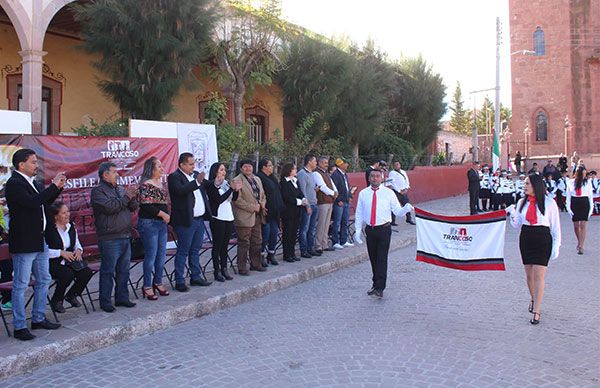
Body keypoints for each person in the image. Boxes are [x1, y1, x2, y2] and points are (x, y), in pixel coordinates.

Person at [6, 149, 65, 340]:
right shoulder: (14, 183)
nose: (36, 165)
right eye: (33, 162)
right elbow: (32, 203)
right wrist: (52, 186)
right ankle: (19, 326)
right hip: (25, 242)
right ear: (21, 165)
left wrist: (57, 188)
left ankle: (38, 318)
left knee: (44, 280)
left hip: (40, 240)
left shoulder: (34, 183)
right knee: (21, 285)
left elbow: (44, 202)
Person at [507, 173, 561, 325]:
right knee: (529, 276)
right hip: (526, 238)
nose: (524, 187)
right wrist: (512, 213)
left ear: (536, 186)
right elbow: (516, 224)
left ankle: (537, 310)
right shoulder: (521, 202)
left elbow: (555, 228)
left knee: (539, 276)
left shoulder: (549, 203)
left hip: (542, 239)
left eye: (527, 184)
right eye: (524, 184)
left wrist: (557, 246)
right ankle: (533, 298)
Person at [354, 169, 413, 298]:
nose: (375, 178)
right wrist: (357, 230)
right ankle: (375, 284)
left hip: (384, 229)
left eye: (377, 176)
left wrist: (405, 209)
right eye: (372, 176)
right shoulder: (363, 193)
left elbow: (397, 211)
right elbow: (359, 213)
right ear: (369, 178)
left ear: (382, 178)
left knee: (381, 258)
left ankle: (380, 287)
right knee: (373, 258)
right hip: (370, 229)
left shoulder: (388, 193)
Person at [91, 162, 139, 312]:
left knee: (124, 269)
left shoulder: (119, 188)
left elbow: (132, 207)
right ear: (105, 175)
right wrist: (127, 197)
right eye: (114, 172)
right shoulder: (98, 192)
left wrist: (132, 197)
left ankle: (122, 297)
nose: (117, 175)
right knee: (108, 270)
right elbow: (110, 208)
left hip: (125, 234)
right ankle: (105, 301)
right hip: (109, 237)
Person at [168, 153, 213, 292]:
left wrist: (217, 181)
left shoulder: (195, 176)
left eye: (194, 164)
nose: (194, 166)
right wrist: (196, 182)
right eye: (191, 164)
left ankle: (195, 276)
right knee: (183, 250)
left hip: (199, 220)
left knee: (195, 250)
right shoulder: (175, 177)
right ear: (182, 165)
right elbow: (180, 191)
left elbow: (208, 186)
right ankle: (179, 280)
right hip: (185, 220)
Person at [46, 201, 93, 313]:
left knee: (86, 272)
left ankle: (72, 295)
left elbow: (76, 242)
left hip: (70, 261)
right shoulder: (49, 229)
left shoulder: (71, 226)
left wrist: (78, 250)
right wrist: (60, 253)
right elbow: (43, 251)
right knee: (67, 274)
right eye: (63, 213)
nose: (67, 215)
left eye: (68, 212)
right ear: (55, 216)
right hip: (52, 262)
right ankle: (56, 300)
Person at [137, 157, 170, 300]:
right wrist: (163, 214)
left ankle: (158, 281)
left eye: (162, 166)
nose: (162, 169)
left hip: (161, 224)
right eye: (159, 167)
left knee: (161, 255)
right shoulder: (145, 184)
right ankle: (147, 285)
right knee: (151, 255)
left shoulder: (161, 184)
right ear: (151, 168)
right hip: (149, 223)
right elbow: (146, 206)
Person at [206, 162, 241, 282]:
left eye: (224, 170)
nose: (223, 172)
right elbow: (218, 200)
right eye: (221, 170)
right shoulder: (211, 185)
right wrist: (231, 189)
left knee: (225, 246)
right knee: (218, 246)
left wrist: (236, 190)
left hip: (228, 216)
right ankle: (217, 271)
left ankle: (224, 268)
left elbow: (234, 199)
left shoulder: (226, 183)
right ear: (215, 171)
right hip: (218, 218)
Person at [232, 160, 267, 275]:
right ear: (241, 169)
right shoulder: (236, 180)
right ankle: (242, 267)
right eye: (245, 167)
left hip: (257, 215)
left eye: (250, 166)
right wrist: (252, 207)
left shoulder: (257, 179)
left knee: (257, 241)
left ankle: (255, 264)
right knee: (244, 242)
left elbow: (262, 195)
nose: (248, 169)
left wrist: (262, 203)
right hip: (244, 216)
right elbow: (237, 200)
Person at [256, 158, 284, 266]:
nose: (272, 167)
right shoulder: (260, 177)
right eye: (270, 165)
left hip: (275, 210)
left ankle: (271, 253)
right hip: (266, 210)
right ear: (264, 167)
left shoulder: (272, 177)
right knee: (265, 233)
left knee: (274, 232)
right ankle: (261, 254)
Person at [279, 163, 308, 263]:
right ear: (289, 170)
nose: (296, 170)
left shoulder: (295, 181)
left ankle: (292, 252)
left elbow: (299, 192)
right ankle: (287, 254)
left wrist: (303, 198)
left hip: (296, 211)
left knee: (294, 233)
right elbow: (286, 197)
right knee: (287, 233)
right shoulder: (284, 182)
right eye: (294, 169)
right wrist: (299, 202)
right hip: (288, 212)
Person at [565, 166, 594, 255]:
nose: (584, 175)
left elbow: (590, 196)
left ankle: (581, 246)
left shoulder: (588, 182)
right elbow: (568, 196)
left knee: (583, 225)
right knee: (576, 226)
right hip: (575, 202)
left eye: (585, 174)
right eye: (583, 174)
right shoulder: (570, 182)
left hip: (584, 202)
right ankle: (579, 241)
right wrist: (568, 207)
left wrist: (591, 208)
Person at [313, 156, 338, 253]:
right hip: (322, 201)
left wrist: (336, 191)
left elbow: (332, 184)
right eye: (324, 163)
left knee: (326, 224)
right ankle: (318, 245)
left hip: (329, 201)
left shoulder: (326, 174)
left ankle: (324, 243)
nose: (326, 165)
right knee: (321, 224)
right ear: (319, 163)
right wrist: (333, 193)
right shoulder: (316, 173)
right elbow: (322, 186)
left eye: (327, 163)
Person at [297, 154, 319, 258]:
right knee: (304, 228)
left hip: (314, 203)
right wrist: (307, 205)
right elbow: (302, 191)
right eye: (315, 161)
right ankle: (303, 249)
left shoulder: (312, 174)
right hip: (308, 205)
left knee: (312, 228)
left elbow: (311, 188)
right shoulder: (302, 174)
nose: (316, 163)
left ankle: (311, 248)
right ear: (309, 162)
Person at [330, 158, 354, 249]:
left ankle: (344, 240)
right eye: (345, 163)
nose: (347, 165)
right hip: (339, 202)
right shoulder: (335, 175)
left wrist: (350, 196)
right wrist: (338, 200)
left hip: (346, 201)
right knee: (337, 222)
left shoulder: (344, 174)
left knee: (345, 221)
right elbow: (334, 188)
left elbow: (347, 186)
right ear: (340, 164)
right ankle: (335, 241)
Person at [387, 161, 415, 225]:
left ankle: (409, 218)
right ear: (393, 166)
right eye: (395, 165)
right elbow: (392, 183)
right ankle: (392, 221)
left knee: (407, 205)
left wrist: (406, 188)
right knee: (394, 206)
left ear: (400, 165)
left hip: (404, 191)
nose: (397, 166)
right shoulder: (392, 173)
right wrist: (399, 191)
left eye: (398, 164)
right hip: (396, 192)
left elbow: (406, 180)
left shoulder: (403, 172)